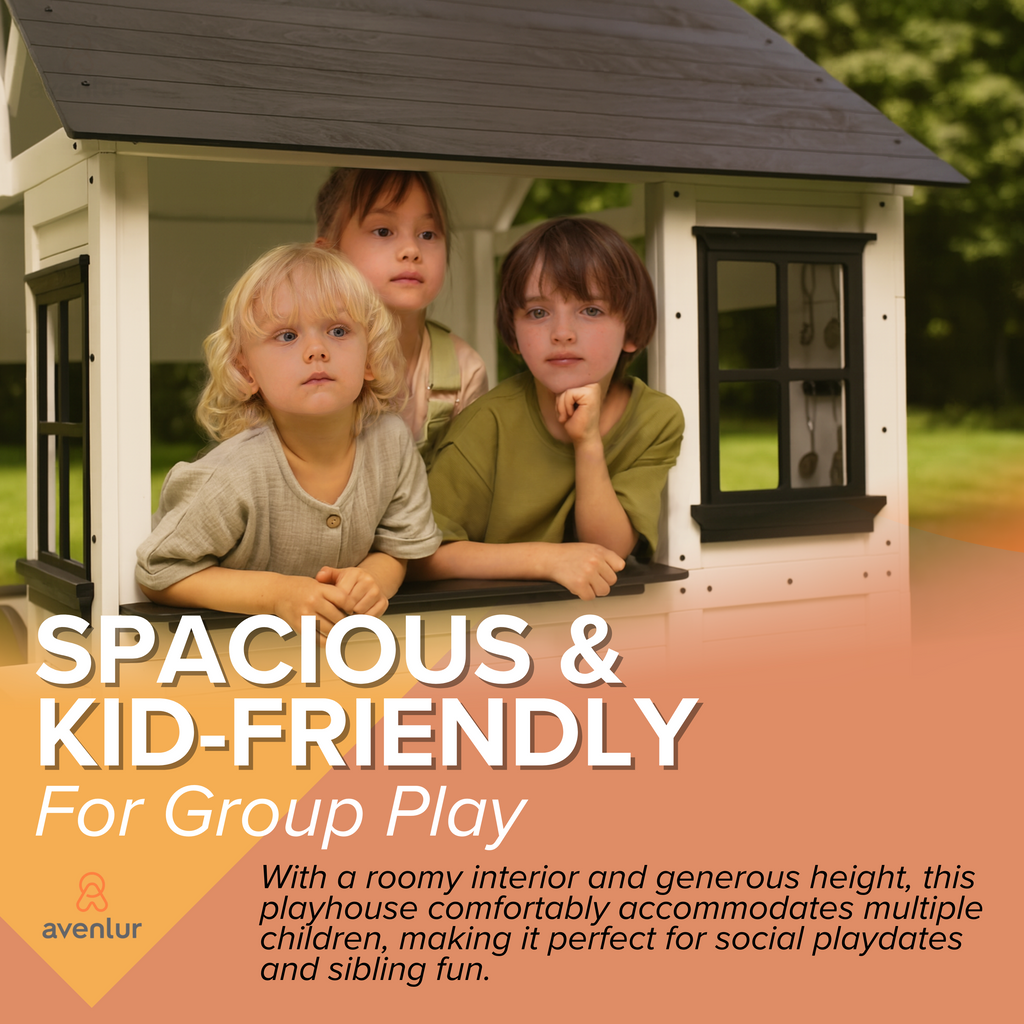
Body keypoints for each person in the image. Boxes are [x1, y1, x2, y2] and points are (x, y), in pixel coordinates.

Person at [137, 244, 441, 632]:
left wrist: (373, 580)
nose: (316, 350)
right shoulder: (231, 475)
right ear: (245, 371)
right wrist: (277, 595)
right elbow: (159, 570)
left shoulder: (391, 442)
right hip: (231, 658)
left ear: (370, 356)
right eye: (286, 335)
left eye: (338, 331)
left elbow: (399, 547)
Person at [415, 217, 683, 600]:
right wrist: (545, 560)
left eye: (590, 310)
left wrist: (587, 443)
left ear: (633, 330)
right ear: (514, 335)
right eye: (538, 313)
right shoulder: (486, 424)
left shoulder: (655, 418)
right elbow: (418, 557)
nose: (562, 333)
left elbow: (610, 551)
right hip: (495, 625)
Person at [315, 168, 488, 456]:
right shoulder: (310, 358)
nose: (411, 250)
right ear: (328, 255)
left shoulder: (464, 369)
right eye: (383, 231)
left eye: (427, 234)